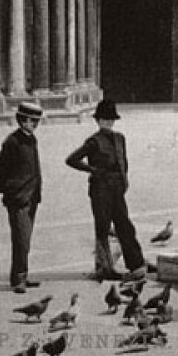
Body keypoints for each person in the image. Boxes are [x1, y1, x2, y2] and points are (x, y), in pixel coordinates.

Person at [66, 99, 147, 282]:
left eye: (111, 119)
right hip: (100, 189)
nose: (108, 123)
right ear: (98, 121)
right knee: (103, 228)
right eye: (104, 119)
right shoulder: (93, 141)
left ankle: (136, 265)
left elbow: (124, 162)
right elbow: (72, 159)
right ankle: (104, 268)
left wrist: (124, 180)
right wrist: (93, 170)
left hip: (117, 188)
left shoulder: (120, 138)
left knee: (124, 225)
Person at [0, 102, 44, 293]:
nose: (35, 124)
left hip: (32, 197)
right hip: (18, 198)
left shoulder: (31, 139)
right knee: (21, 239)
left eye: (37, 121)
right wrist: (9, 191)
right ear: (22, 120)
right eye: (32, 120)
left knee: (26, 239)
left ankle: (22, 274)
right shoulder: (12, 142)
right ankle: (18, 279)